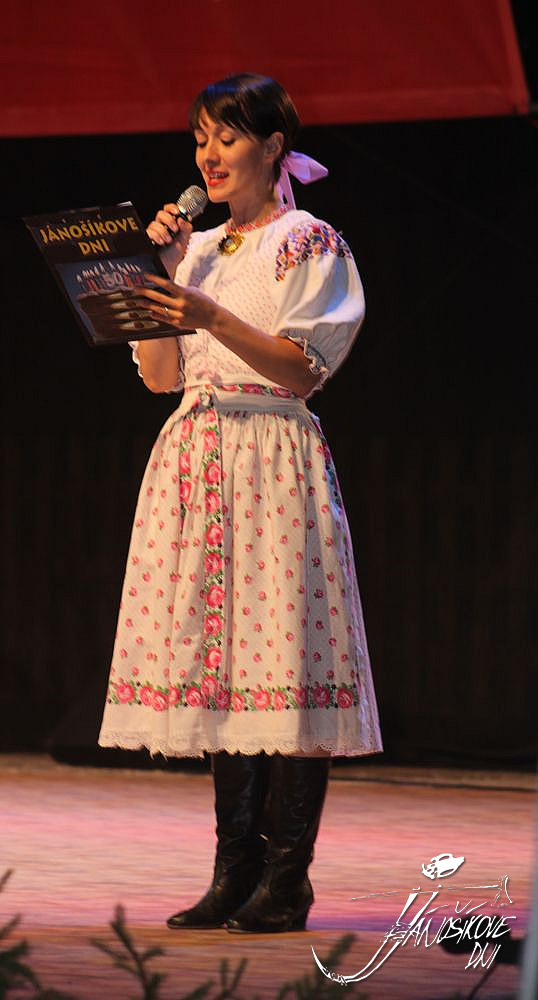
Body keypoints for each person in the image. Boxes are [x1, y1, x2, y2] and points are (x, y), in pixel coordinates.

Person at [98, 73, 382, 933]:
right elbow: (160, 378)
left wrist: (209, 314)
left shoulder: (307, 241)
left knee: (284, 661)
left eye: (226, 137)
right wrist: (153, 281)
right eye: (199, 140)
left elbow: (303, 369)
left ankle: (287, 878)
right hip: (198, 454)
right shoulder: (194, 251)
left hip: (272, 457)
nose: (209, 156)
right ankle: (235, 871)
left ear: (273, 147)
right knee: (224, 669)